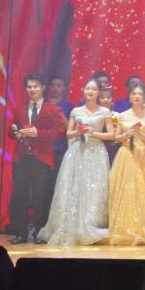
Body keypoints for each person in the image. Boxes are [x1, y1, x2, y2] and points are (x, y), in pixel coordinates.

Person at [37, 79, 112, 245]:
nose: (91, 92)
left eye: (94, 89)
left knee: (94, 189)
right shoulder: (76, 111)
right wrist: (78, 131)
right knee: (75, 187)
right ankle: (71, 225)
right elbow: (68, 134)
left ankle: (92, 223)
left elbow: (111, 135)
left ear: (99, 92)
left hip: (96, 152)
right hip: (77, 152)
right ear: (83, 90)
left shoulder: (105, 111)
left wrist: (93, 133)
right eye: (88, 88)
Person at [7, 73, 67, 244]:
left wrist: (38, 133)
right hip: (21, 158)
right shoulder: (19, 109)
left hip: (42, 159)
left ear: (43, 88)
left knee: (41, 196)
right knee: (20, 194)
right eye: (29, 87)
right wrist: (16, 133)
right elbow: (11, 130)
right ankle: (21, 232)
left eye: (35, 86)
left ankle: (40, 232)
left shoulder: (52, 109)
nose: (32, 90)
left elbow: (60, 132)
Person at [108, 84, 145, 246]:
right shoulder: (122, 116)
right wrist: (125, 135)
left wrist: (139, 134)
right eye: (134, 93)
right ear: (130, 96)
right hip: (126, 155)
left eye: (140, 94)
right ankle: (126, 229)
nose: (137, 96)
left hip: (144, 155)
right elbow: (116, 137)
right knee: (127, 192)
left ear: (144, 97)